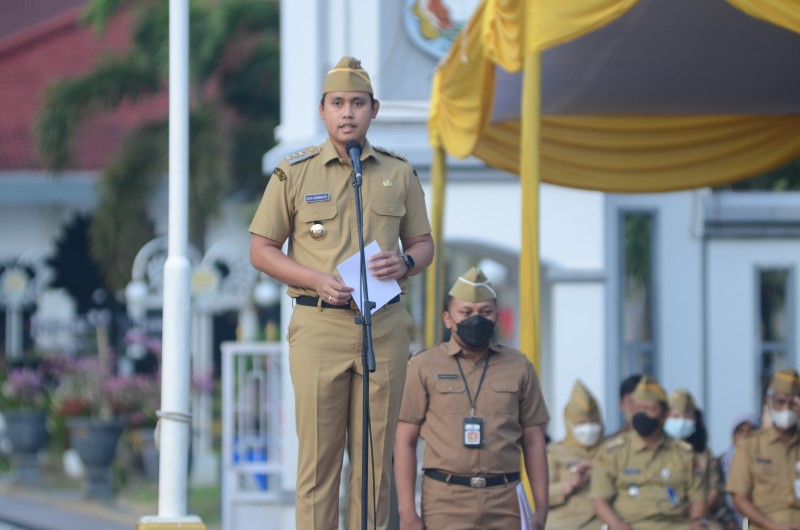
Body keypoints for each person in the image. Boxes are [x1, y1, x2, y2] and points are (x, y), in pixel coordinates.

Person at [248, 56, 434, 530]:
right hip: (318, 326)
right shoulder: (294, 173)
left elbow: (423, 243)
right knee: (318, 464)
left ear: (374, 109)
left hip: (384, 327)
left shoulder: (399, 172)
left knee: (374, 463)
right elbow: (261, 248)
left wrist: (406, 261)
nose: (347, 112)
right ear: (322, 110)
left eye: (357, 103)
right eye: (337, 103)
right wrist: (314, 278)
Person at [394, 267, 550, 530]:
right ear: (448, 318)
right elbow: (404, 440)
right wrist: (407, 513)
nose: (475, 320)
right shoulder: (424, 365)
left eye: (485, 312)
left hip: (505, 501)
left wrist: (542, 508)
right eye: (465, 313)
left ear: (496, 317)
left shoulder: (519, 366)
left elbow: (534, 440)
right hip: (445, 500)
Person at [591, 375, 708, 530]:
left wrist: (697, 522)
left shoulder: (683, 453)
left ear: (664, 414)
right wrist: (615, 524)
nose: (643, 414)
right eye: (638, 409)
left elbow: (698, 498)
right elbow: (599, 499)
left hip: (676, 525)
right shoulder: (613, 452)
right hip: (631, 525)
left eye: (650, 409)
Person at [726, 368, 800, 530]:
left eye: (793, 403)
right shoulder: (750, 445)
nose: (787, 408)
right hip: (766, 526)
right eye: (781, 401)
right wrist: (773, 526)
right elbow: (738, 498)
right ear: (769, 401)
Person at [547, 379, 605, 530]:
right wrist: (572, 483)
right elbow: (540, 495)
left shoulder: (611, 450)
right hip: (565, 522)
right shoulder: (554, 452)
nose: (589, 428)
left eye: (593, 421)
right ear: (570, 422)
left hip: (603, 521)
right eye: (582, 422)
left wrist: (600, 474)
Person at [665, 389, 725, 530]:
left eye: (687, 416)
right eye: (676, 416)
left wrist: (696, 515)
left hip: (700, 516)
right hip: (663, 516)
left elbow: (713, 491)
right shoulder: (658, 450)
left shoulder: (704, 454)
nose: (681, 421)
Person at [716, 414, 759, 530]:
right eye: (741, 431)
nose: (746, 435)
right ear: (733, 436)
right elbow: (718, 498)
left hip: (761, 517)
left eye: (751, 431)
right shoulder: (720, 463)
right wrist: (729, 522)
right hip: (728, 521)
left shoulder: (767, 460)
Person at [607, 374, 643, 439]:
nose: (637, 407)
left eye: (642, 402)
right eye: (631, 402)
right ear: (621, 404)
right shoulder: (609, 444)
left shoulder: (665, 442)